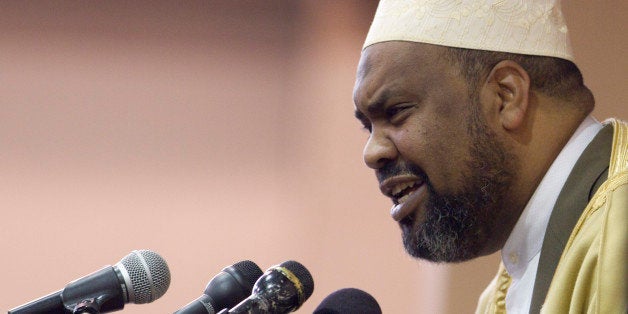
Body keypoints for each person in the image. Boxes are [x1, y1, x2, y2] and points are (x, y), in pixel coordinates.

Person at [352, 1, 627, 313]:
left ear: (505, 96)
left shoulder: (619, 228)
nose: (372, 153)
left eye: (396, 112)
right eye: (367, 127)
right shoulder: (501, 294)